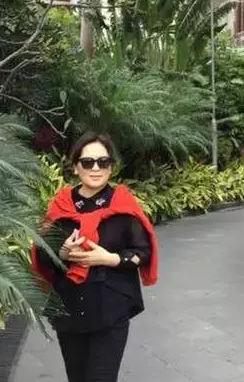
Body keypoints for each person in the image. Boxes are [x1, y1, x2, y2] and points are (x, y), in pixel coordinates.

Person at [30, 132, 159, 382]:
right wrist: (62, 252)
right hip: (69, 308)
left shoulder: (123, 204)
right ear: (76, 167)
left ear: (111, 167)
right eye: (88, 162)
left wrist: (108, 258)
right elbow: (42, 253)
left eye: (103, 162)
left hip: (110, 308)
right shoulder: (61, 205)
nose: (96, 168)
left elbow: (142, 252)